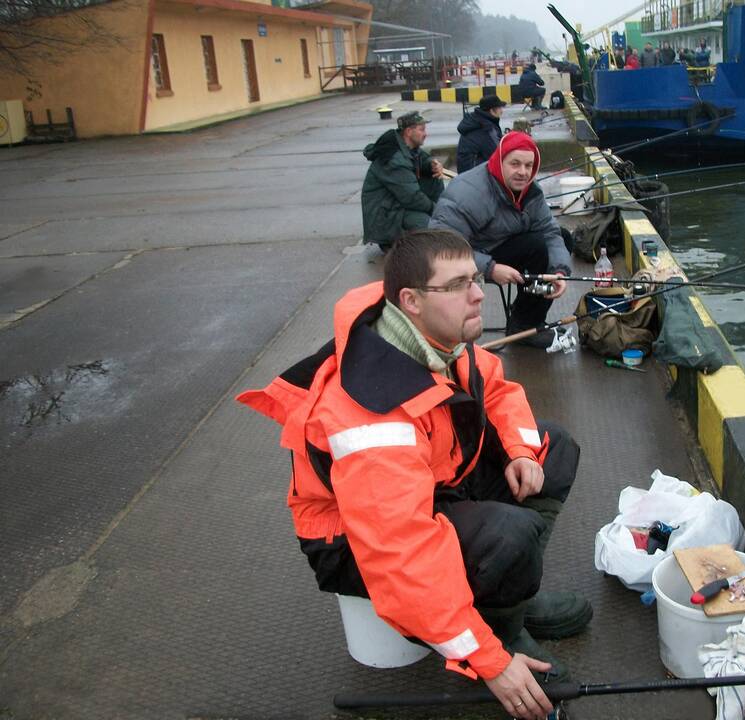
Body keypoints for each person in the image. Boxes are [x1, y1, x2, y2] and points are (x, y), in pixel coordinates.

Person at [236, 228, 588, 720]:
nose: (479, 293)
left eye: (475, 278)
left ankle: (505, 603)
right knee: (510, 534)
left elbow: (498, 389)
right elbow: (400, 554)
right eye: (459, 283)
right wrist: (488, 663)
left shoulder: (435, 336)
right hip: (352, 543)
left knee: (556, 449)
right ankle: (501, 638)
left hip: (427, 483)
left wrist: (521, 452)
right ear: (411, 300)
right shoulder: (373, 415)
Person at [429, 132, 572, 348]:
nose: (523, 172)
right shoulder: (469, 192)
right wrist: (490, 268)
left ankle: (526, 317)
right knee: (536, 246)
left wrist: (560, 272)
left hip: (500, 245)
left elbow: (550, 231)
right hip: (470, 256)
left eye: (528, 165)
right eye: (515, 164)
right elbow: (441, 245)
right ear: (499, 160)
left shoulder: (531, 191)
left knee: (563, 238)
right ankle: (523, 327)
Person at [361, 111, 444, 251]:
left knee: (434, 177)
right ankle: (391, 241)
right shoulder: (394, 158)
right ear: (409, 131)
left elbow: (421, 158)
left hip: (395, 203)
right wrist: (435, 210)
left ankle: (441, 218)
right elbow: (412, 198)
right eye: (422, 129)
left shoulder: (406, 145)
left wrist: (432, 164)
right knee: (429, 226)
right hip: (385, 216)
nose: (426, 134)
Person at [456, 95, 506, 173]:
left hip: (465, 171)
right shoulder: (487, 127)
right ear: (492, 110)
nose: (502, 111)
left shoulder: (475, 120)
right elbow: (498, 153)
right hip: (475, 175)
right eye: (499, 108)